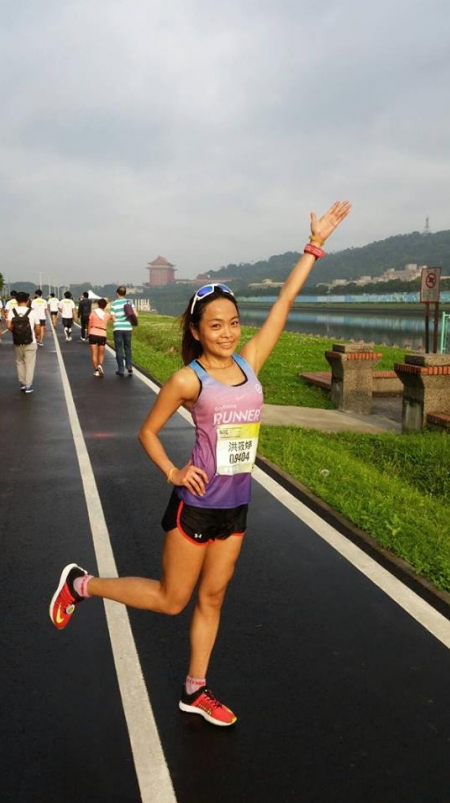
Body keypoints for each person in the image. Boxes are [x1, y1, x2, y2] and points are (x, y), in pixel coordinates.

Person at [49, 202, 351, 726]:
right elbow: (147, 432)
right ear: (196, 329)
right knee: (172, 600)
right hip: (196, 505)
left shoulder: (250, 363)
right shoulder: (188, 379)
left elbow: (284, 302)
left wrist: (314, 246)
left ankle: (196, 689)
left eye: (233, 323)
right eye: (216, 325)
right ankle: (81, 584)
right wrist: (172, 472)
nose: (228, 333)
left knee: (212, 599)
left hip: (237, 506)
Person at [6, 291, 40, 393]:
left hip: (17, 341)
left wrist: (16, 332)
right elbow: (38, 327)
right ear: (28, 300)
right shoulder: (33, 312)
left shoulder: (12, 312)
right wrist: (37, 335)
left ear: (16, 301)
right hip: (31, 341)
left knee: (20, 362)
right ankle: (28, 385)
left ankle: (22, 383)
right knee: (30, 364)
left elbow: (8, 326)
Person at [110, 286, 138, 376]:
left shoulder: (114, 303)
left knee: (119, 348)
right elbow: (136, 314)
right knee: (128, 347)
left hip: (118, 328)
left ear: (117, 293)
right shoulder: (129, 302)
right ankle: (129, 366)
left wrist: (117, 320)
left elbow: (113, 318)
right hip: (128, 328)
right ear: (125, 293)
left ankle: (121, 369)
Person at [87, 298, 111, 377]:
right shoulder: (107, 315)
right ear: (105, 306)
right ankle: (100, 365)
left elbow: (89, 324)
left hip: (93, 332)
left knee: (94, 353)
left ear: (98, 305)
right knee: (101, 353)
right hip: (102, 334)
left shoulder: (93, 313)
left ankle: (96, 370)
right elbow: (113, 318)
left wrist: (88, 333)